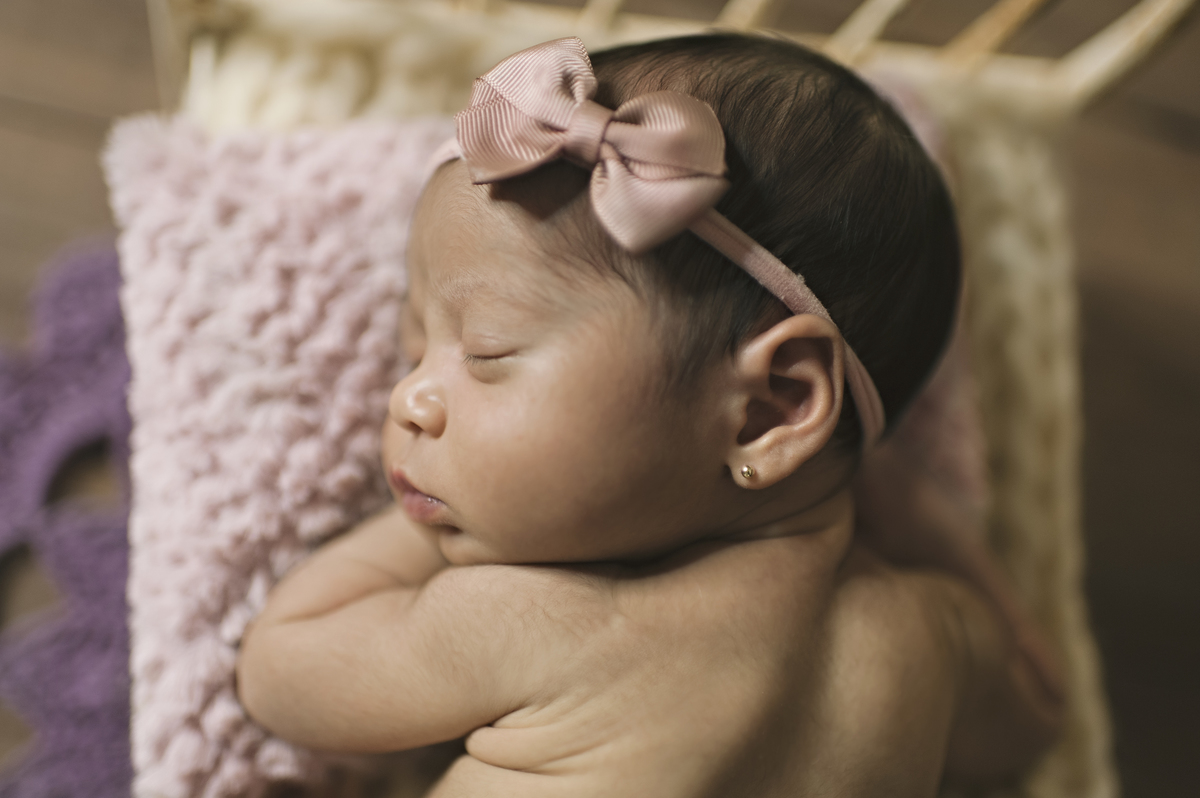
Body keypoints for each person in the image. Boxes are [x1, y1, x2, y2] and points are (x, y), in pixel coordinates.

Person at [236, 34, 1063, 796]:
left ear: (770, 409)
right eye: (419, 351)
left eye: (485, 354)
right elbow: (1040, 712)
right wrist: (916, 509)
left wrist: (417, 512)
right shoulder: (936, 639)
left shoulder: (535, 623)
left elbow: (279, 669)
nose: (407, 399)